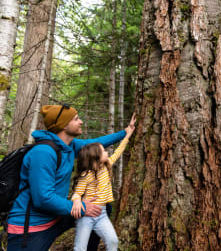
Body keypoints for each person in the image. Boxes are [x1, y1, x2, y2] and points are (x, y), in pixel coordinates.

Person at [6, 104, 136, 251]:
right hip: (31, 227)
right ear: (64, 125)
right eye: (76, 119)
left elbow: (95, 144)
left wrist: (126, 132)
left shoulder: (69, 146)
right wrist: (81, 208)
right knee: (90, 209)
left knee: (102, 207)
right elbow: (43, 199)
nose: (80, 122)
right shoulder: (43, 153)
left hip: (56, 217)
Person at [70, 117, 135, 251]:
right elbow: (77, 193)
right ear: (95, 158)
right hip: (86, 216)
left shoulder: (107, 166)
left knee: (113, 241)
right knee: (80, 247)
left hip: (102, 214)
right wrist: (77, 202)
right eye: (104, 151)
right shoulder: (86, 175)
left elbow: (118, 151)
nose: (107, 152)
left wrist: (128, 134)